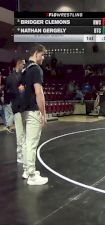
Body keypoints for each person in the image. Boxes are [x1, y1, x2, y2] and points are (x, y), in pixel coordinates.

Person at [19, 44, 48, 185]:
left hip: (24, 110)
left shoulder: (25, 69)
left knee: (26, 143)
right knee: (31, 143)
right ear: (36, 53)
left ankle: (27, 170)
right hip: (33, 110)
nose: (43, 58)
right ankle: (31, 175)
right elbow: (39, 93)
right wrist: (43, 113)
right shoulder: (36, 69)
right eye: (42, 55)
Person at [5, 59, 26, 162]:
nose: (24, 65)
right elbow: (11, 92)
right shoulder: (11, 77)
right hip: (17, 108)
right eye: (23, 64)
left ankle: (22, 153)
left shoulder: (21, 76)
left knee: (23, 132)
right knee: (20, 133)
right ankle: (20, 155)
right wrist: (20, 89)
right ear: (18, 64)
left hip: (22, 107)